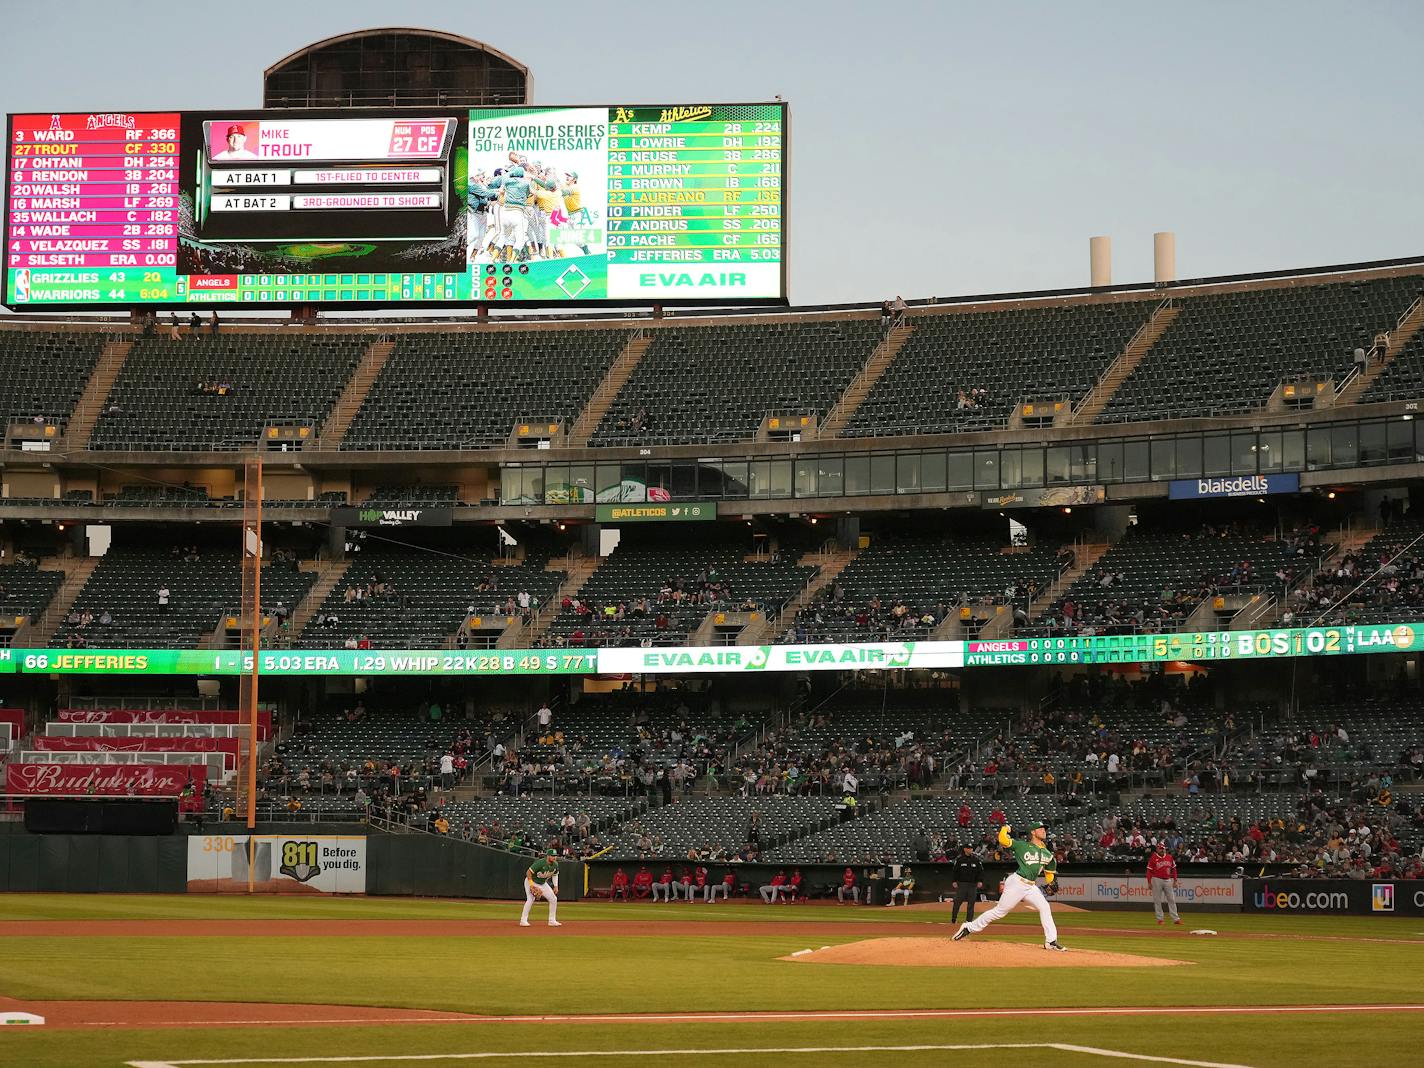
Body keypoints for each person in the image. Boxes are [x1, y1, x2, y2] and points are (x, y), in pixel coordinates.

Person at [953, 821, 1066, 951]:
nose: (1044, 831)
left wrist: (1051, 882)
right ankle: (968, 927)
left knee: (1045, 907)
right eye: (1040, 829)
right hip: (1017, 883)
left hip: (1031, 886)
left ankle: (1051, 941)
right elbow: (1003, 840)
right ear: (1033, 832)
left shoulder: (1048, 854)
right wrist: (1004, 829)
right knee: (999, 912)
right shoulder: (1022, 846)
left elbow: (1049, 872)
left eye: (1044, 829)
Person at [519, 850, 561, 927]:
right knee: (530, 899)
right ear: (548, 856)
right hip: (531, 881)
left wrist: (555, 886)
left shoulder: (555, 864)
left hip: (542, 883)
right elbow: (528, 872)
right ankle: (523, 920)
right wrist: (531, 885)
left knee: (553, 899)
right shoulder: (540, 863)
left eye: (555, 855)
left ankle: (552, 920)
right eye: (552, 855)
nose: (554, 857)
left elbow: (555, 874)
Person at [1146, 840, 1182, 925]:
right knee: (1157, 900)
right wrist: (1149, 882)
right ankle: (1160, 919)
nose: (1162, 850)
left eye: (1163, 848)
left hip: (1167, 879)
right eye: (1160, 848)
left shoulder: (1169, 857)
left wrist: (1175, 880)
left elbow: (1174, 869)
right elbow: (1149, 871)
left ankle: (1176, 919)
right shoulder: (1153, 857)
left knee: (1171, 899)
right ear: (1157, 849)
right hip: (1156, 879)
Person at [950, 843, 984, 923]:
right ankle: (953, 919)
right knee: (957, 902)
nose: (970, 850)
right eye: (969, 848)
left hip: (973, 885)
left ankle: (969, 921)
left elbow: (980, 872)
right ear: (965, 849)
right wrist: (954, 881)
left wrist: (980, 881)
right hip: (962, 884)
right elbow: (955, 871)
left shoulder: (976, 860)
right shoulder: (959, 860)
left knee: (971, 904)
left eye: (971, 848)